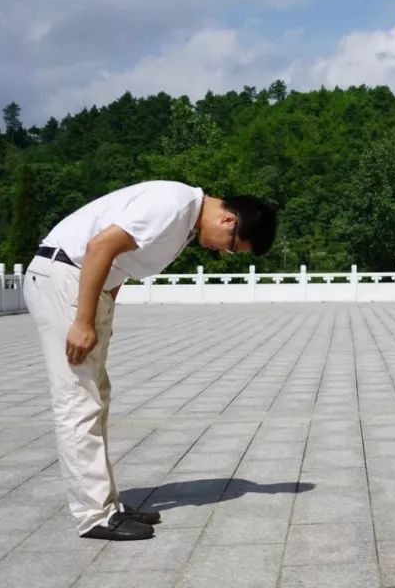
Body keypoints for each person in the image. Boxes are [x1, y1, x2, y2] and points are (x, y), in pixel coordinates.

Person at [23, 181, 277, 540]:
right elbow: (100, 246)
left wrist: (102, 310)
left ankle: (105, 504)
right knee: (78, 399)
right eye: (233, 248)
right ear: (228, 220)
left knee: (95, 396)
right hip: (67, 278)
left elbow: (121, 263)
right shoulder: (172, 207)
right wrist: (82, 320)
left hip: (80, 284)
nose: (224, 254)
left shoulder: (184, 219)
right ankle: (94, 515)